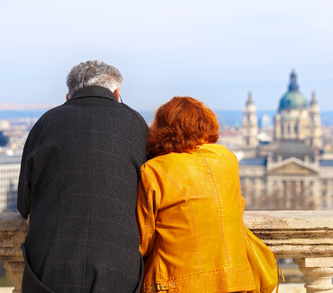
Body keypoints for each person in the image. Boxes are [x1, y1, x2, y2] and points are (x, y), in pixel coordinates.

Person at [17, 60, 148, 293]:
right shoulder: (136, 124)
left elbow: (23, 203)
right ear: (117, 93)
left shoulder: (46, 122)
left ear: (69, 96)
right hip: (117, 260)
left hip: (50, 262)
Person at [136, 97, 256, 292]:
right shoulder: (227, 159)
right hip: (234, 281)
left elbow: (142, 241)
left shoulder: (155, 170)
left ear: (162, 129)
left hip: (175, 284)